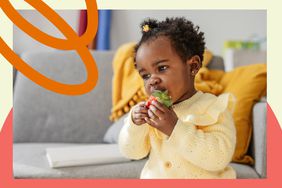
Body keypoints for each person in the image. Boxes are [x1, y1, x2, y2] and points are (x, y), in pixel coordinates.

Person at [118, 17, 236, 179]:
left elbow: (218, 158)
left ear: (193, 66)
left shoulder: (213, 108)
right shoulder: (151, 113)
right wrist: (134, 124)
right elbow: (132, 152)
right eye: (145, 75)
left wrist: (175, 128)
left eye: (162, 68)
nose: (152, 80)